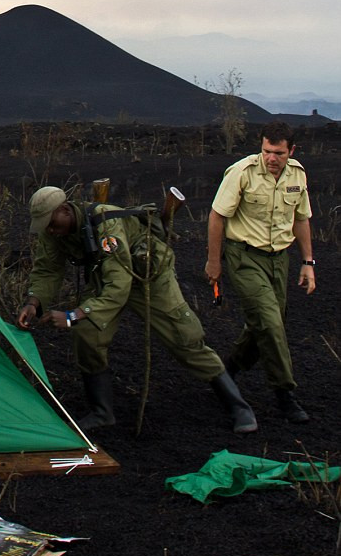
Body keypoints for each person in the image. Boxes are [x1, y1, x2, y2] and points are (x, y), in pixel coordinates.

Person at [18, 186, 257, 434]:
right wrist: (34, 302)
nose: (50, 230)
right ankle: (102, 412)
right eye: (45, 226)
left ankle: (238, 407)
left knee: (184, 338)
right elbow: (47, 269)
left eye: (52, 223)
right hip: (106, 277)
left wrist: (73, 315)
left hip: (148, 277)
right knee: (87, 334)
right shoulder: (53, 232)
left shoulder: (106, 225)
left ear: (66, 210)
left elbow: (119, 286)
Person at [205, 121, 316, 424]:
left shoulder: (297, 174)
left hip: (279, 258)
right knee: (270, 322)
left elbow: (301, 218)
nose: (271, 158)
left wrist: (308, 262)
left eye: (278, 153)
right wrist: (214, 263)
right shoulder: (242, 172)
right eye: (267, 151)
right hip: (244, 257)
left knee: (266, 323)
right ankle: (285, 394)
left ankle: (226, 373)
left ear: (291, 151)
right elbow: (217, 216)